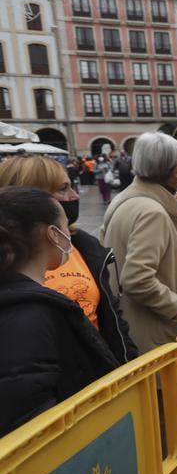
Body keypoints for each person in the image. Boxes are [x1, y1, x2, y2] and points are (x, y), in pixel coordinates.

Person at [0, 187, 121, 436]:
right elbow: (30, 412)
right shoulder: (31, 314)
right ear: (53, 234)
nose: (70, 234)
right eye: (65, 225)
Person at [0, 156, 137, 363]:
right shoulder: (9, 263)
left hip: (101, 376)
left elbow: (112, 317)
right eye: (63, 189)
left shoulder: (82, 245)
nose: (73, 196)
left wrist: (129, 364)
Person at [101, 132, 177, 353]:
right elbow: (137, 279)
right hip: (156, 336)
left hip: (136, 328)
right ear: (176, 171)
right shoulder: (152, 212)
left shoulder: (125, 200)